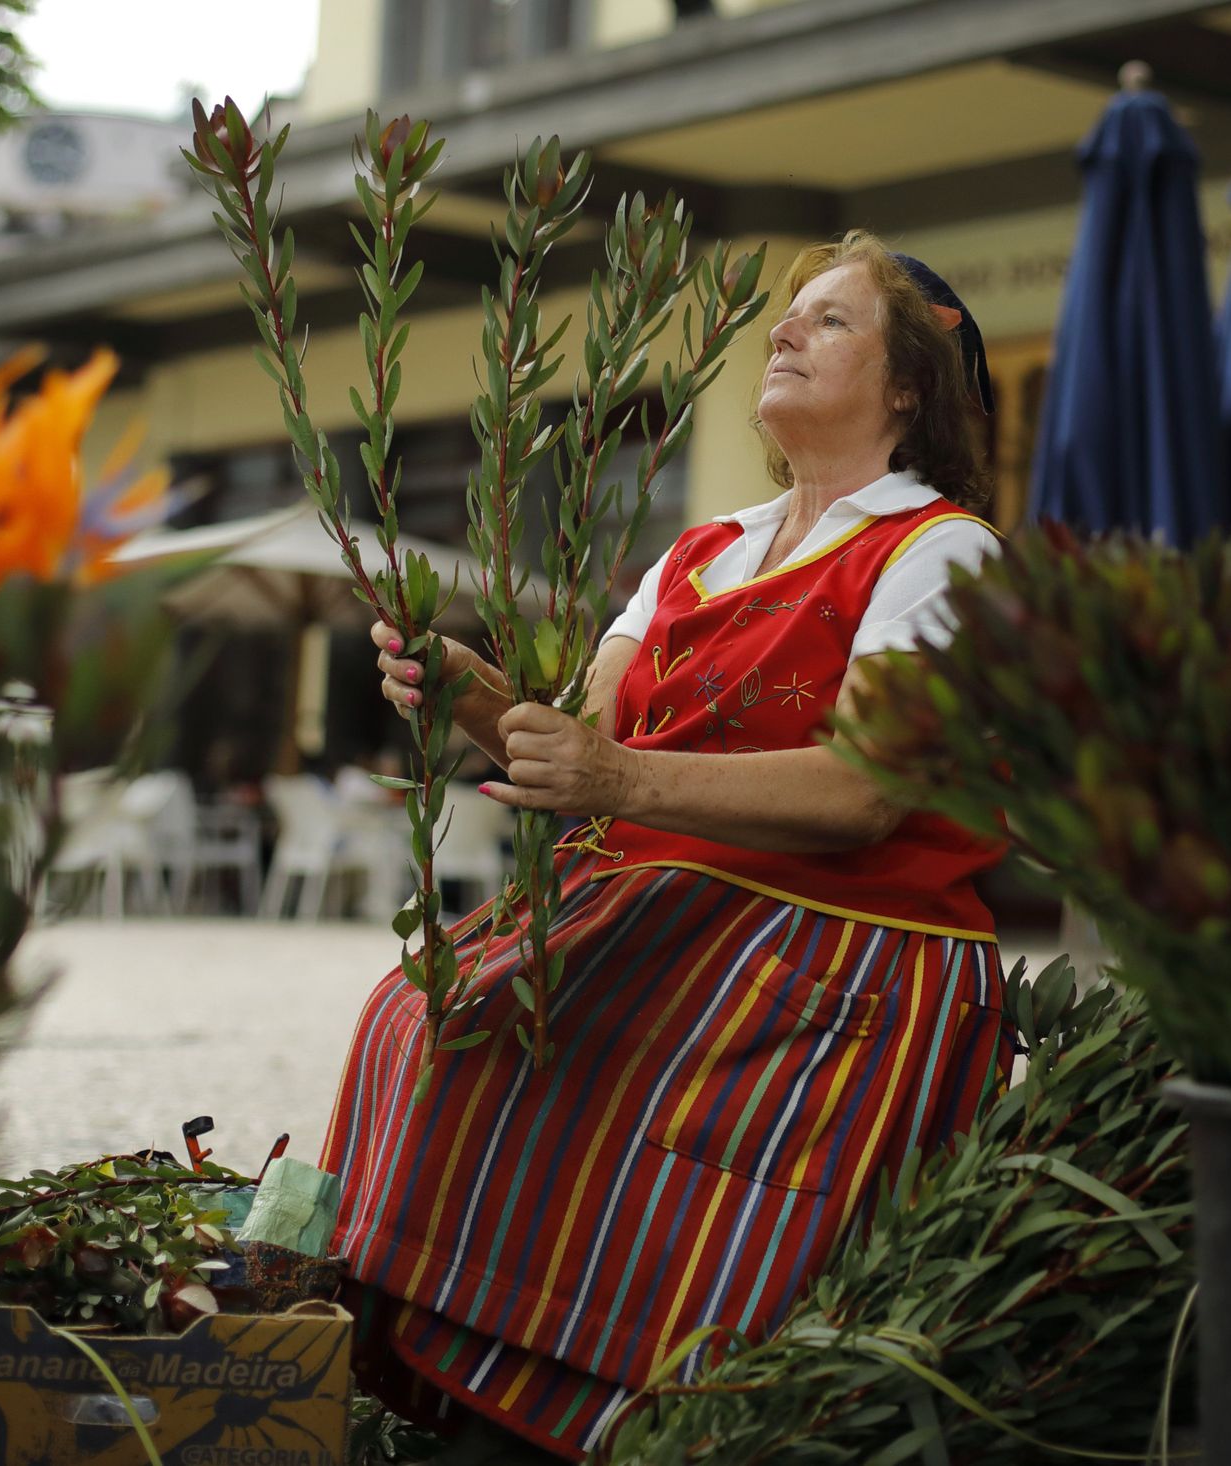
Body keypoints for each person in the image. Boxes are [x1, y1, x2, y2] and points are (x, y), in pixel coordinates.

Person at [322, 231, 1012, 1460]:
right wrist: (462, 677)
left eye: (832, 320)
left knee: (508, 1043)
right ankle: (499, 1389)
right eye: (788, 317)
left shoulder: (940, 550)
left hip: (829, 952)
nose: (785, 332)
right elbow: (577, 746)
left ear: (910, 388)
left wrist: (622, 775)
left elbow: (866, 792)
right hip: (666, 915)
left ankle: (580, 1411)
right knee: (421, 1010)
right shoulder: (704, 550)